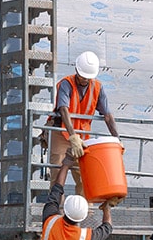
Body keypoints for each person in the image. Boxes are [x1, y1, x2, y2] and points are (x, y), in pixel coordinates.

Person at [50, 51, 122, 209]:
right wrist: (72, 136)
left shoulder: (97, 87)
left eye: (88, 77)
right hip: (62, 134)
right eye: (82, 76)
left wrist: (117, 139)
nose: (84, 80)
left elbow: (107, 115)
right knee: (57, 172)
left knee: (84, 177)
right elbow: (63, 109)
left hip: (83, 137)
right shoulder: (66, 84)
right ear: (76, 70)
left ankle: (83, 213)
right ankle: (55, 212)